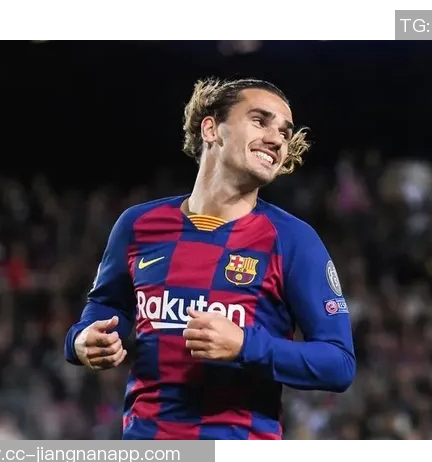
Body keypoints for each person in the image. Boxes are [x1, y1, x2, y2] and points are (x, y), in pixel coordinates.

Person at [64, 77, 356, 440]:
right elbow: (107, 305)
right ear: (211, 128)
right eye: (260, 121)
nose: (277, 139)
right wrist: (81, 341)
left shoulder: (293, 240)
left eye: (284, 132)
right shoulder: (137, 225)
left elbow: (339, 363)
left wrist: (246, 346)